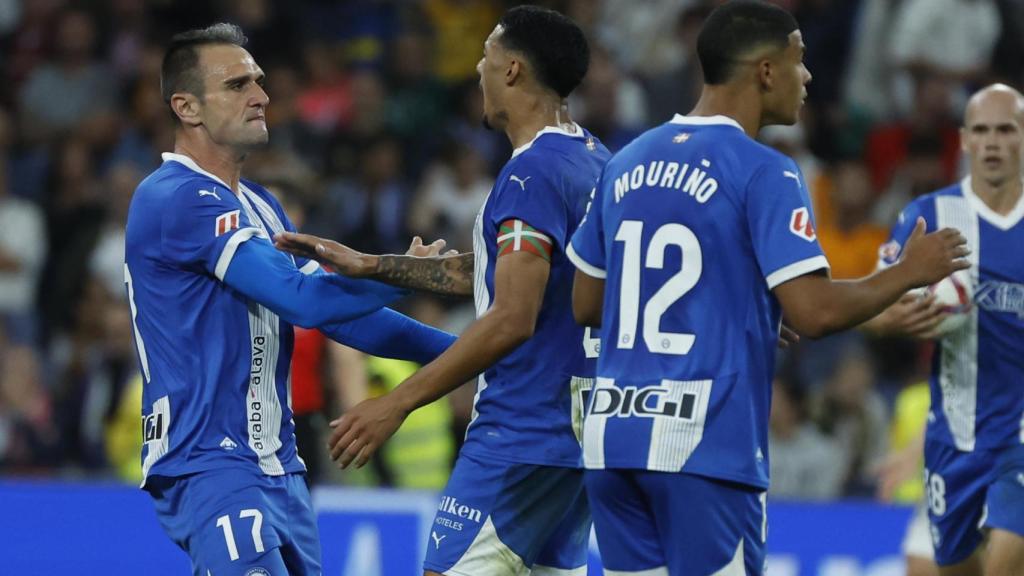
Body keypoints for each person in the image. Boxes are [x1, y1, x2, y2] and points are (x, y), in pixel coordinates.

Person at [565, 1, 970, 574]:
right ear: (764, 70)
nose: (807, 77)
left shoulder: (626, 160)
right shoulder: (765, 170)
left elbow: (586, 303)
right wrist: (907, 271)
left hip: (612, 443)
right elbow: (815, 313)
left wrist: (732, 305)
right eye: (799, 61)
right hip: (702, 447)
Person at [276, 6, 608, 575]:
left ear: (512, 71)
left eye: (486, 55)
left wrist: (395, 404)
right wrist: (373, 266)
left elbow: (512, 317)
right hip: (581, 430)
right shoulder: (593, 159)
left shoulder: (533, 174)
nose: (476, 68)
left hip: (522, 429)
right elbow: (500, 275)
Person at [125, 24, 455, 575]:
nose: (261, 95)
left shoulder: (260, 204)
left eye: (258, 80)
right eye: (237, 85)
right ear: (186, 106)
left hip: (280, 469)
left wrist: (471, 352)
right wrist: (407, 273)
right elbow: (304, 302)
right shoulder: (173, 198)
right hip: (211, 464)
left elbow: (346, 318)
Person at [869, 83, 1024, 576]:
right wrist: (891, 318)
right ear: (964, 139)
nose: (993, 142)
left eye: (1006, 129)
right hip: (954, 438)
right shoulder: (928, 218)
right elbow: (871, 304)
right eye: (982, 130)